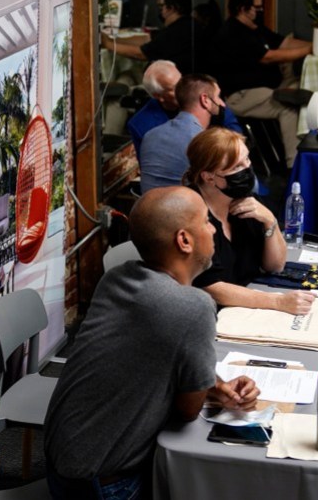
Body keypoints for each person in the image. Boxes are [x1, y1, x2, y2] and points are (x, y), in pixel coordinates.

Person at [45, 186, 260, 499]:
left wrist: (212, 384)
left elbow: (149, 356)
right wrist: (204, 388)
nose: (213, 228)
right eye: (206, 221)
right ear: (184, 240)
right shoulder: (193, 306)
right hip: (105, 483)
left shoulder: (117, 278)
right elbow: (189, 410)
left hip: (61, 461)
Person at [185, 127, 314, 315]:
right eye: (236, 167)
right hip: (209, 316)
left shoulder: (246, 201)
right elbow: (211, 287)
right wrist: (278, 302)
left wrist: (270, 221)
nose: (247, 169)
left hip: (246, 307)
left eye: (247, 159)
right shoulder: (192, 214)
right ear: (209, 177)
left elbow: (276, 265)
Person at [211, 0, 311, 167]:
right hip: (242, 95)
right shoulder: (232, 32)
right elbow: (269, 57)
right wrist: (310, 50)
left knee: (304, 87)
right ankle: (294, 166)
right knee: (288, 107)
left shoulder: (256, 29)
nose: (261, 11)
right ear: (243, 9)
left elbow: (284, 43)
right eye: (257, 8)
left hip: (267, 88)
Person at [127, 60, 242, 156]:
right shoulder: (141, 125)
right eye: (174, 88)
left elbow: (237, 137)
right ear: (158, 96)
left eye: (182, 81)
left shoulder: (203, 95)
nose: (184, 88)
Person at [139, 74, 227, 193]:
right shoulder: (204, 142)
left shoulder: (150, 135)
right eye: (218, 96)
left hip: (148, 208)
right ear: (205, 100)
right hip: (185, 209)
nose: (222, 104)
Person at [101, 0, 199, 74]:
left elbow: (141, 54)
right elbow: (146, 39)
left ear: (171, 8)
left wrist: (108, 44)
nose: (160, 11)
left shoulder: (179, 31)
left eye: (161, 6)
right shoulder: (183, 25)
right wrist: (113, 40)